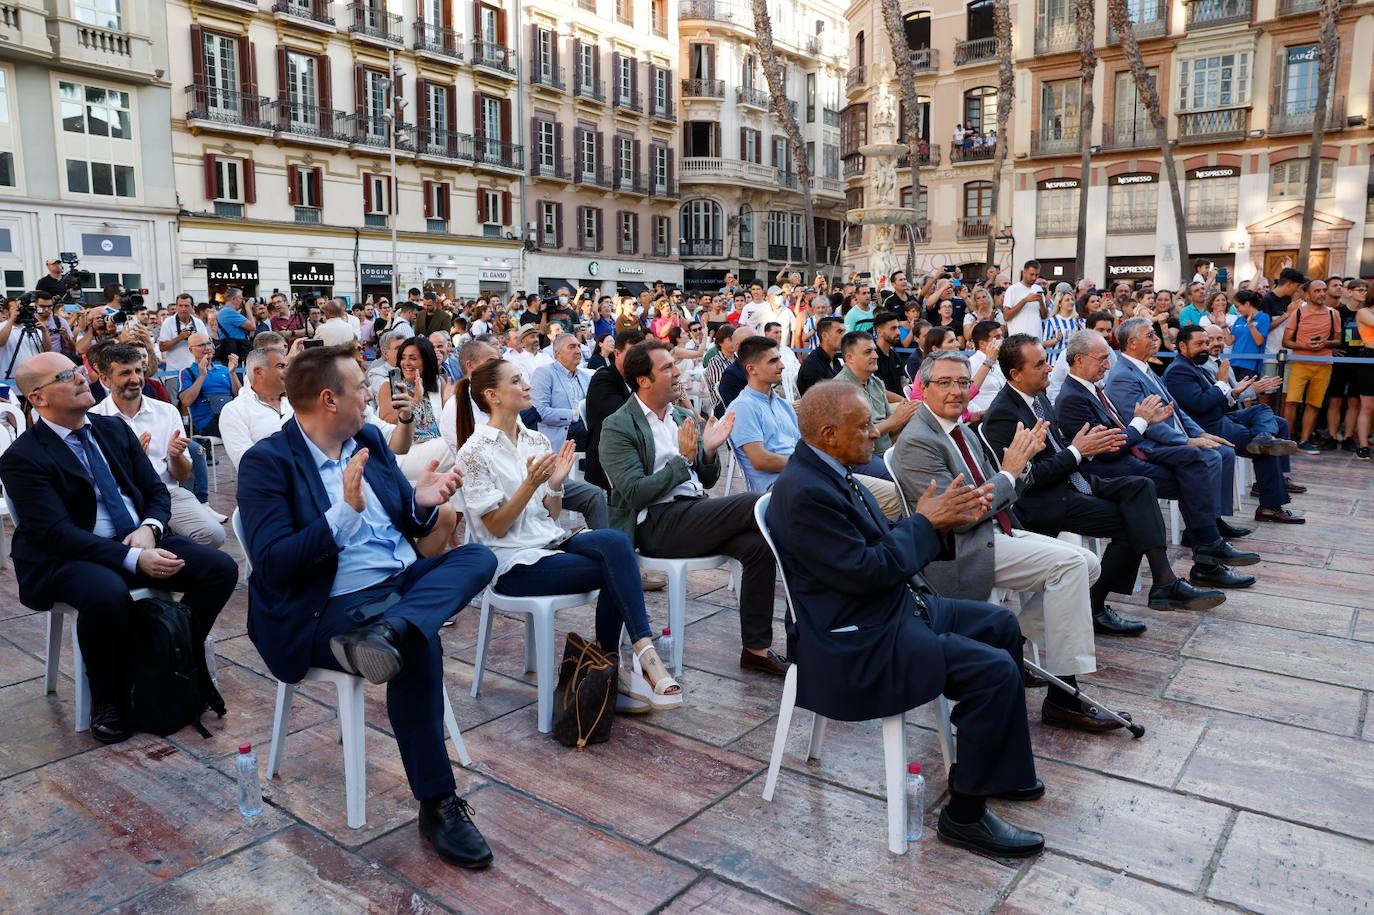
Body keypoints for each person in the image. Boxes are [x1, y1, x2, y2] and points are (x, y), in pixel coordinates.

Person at [237, 344, 497, 869]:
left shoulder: (369, 440)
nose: (371, 396)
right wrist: (341, 515)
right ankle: (438, 803)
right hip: (325, 608)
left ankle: (394, 631)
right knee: (419, 645)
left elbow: (406, 518)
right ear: (330, 399)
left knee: (476, 557)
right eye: (361, 387)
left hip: (396, 590)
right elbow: (272, 564)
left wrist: (423, 501)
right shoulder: (268, 463)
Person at [768, 379, 1045, 857]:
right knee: (994, 673)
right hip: (859, 640)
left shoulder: (830, 470)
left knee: (1000, 626)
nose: (876, 433)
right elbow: (867, 571)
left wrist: (930, 519)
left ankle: (998, 769)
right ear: (829, 433)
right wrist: (925, 523)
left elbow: (875, 546)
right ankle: (964, 817)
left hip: (889, 609)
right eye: (864, 427)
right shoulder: (806, 493)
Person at [892, 351, 1136, 733]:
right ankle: (1065, 697)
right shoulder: (919, 441)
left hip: (994, 530)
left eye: (962, 383)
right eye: (945, 383)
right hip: (961, 549)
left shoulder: (959, 428)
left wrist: (1017, 468)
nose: (957, 391)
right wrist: (1010, 471)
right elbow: (961, 514)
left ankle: (1014, 639)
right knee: (1071, 565)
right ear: (923, 388)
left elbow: (1001, 488)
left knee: (1088, 564)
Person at [1, 351, 236, 744]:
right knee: (107, 594)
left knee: (219, 569)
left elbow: (155, 491)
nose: (80, 378)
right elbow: (56, 533)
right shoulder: (22, 457)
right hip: (68, 556)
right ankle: (107, 697)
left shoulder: (113, 430)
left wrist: (149, 528)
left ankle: (171, 656)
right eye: (66, 375)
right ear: (39, 399)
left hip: (136, 535)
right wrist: (133, 557)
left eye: (78, 370)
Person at [453, 359, 679, 712]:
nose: (527, 386)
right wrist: (530, 485)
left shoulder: (534, 438)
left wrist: (554, 485)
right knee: (617, 570)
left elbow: (550, 515)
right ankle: (617, 670)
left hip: (549, 541)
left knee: (617, 543)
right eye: (517, 381)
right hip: (513, 562)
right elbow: (496, 526)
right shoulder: (474, 452)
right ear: (492, 396)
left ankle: (636, 654)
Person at [983, 335, 1225, 629]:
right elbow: (1029, 479)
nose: (1049, 368)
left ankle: (1163, 582)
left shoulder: (1039, 398)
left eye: (1046, 362)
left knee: (1141, 487)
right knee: (1132, 521)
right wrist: (1079, 451)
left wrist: (1083, 449)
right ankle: (1102, 603)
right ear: (1016, 375)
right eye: (1040, 364)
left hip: (1073, 480)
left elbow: (1065, 449)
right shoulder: (1003, 414)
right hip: (1041, 502)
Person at [599, 340, 787, 676]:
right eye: (668, 368)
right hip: (656, 524)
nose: (678, 372)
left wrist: (710, 451)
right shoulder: (619, 425)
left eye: (675, 364)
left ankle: (756, 650)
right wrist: (682, 460)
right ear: (643, 380)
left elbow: (707, 478)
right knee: (753, 503)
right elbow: (633, 493)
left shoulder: (682, 415)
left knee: (757, 547)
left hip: (694, 513)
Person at [89, 343, 225, 548]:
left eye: (138, 371)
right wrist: (132, 462)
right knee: (122, 545)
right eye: (125, 373)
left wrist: (176, 455)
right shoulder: (94, 418)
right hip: (122, 499)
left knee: (214, 534)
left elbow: (182, 476)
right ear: (106, 379)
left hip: (168, 493)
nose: (135, 379)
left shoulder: (167, 412)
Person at [1166, 326, 1303, 524]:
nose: (1205, 347)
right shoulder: (1179, 370)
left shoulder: (1193, 365)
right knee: (1266, 449)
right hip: (1208, 427)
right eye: (1199, 344)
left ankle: (1264, 437)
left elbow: (1217, 401)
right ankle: (1270, 506)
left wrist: (1235, 393)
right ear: (1182, 346)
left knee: (1263, 411)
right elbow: (1201, 404)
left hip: (1223, 416)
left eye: (1207, 343)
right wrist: (1222, 383)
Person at [377, 336, 450, 482]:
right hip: (405, 452)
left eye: (413, 358)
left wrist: (452, 403)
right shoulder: (390, 387)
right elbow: (387, 420)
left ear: (426, 361)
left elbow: (446, 420)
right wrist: (414, 402)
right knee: (457, 443)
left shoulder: (438, 382)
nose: (406, 363)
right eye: (403, 358)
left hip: (435, 446)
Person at [836, 331, 917, 458]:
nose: (875, 356)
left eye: (874, 350)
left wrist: (906, 417)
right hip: (861, 457)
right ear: (850, 357)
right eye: (868, 352)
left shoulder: (876, 382)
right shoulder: (840, 388)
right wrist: (895, 420)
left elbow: (891, 431)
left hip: (887, 451)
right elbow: (855, 437)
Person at [1282, 278, 1339, 453]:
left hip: (1324, 364)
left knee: (1314, 404)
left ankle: (1305, 440)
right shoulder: (1297, 313)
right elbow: (1286, 341)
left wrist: (1325, 343)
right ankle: (1286, 440)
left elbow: (1338, 340)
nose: (1322, 294)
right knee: (1291, 402)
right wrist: (1305, 346)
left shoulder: (1333, 313)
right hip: (1300, 363)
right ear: (1307, 294)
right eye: (1317, 291)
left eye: (1323, 290)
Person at [530, 333, 589, 451]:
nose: (578, 351)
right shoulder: (544, 373)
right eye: (572, 347)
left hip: (585, 429)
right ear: (557, 353)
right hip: (561, 433)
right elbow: (540, 411)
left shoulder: (585, 376)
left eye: (578, 346)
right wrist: (575, 415)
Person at [179, 333, 240, 436]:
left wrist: (233, 373)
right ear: (191, 350)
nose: (207, 348)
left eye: (209, 343)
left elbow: (240, 396)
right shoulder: (187, 372)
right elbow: (186, 401)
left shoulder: (224, 369)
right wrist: (202, 375)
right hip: (209, 421)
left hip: (231, 415)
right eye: (201, 345)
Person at [157, 293, 207, 372]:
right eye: (180, 306)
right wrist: (179, 338)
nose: (183, 309)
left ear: (192, 307)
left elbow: (207, 346)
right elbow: (162, 347)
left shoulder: (198, 323)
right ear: (176, 307)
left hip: (197, 370)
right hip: (174, 372)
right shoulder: (168, 322)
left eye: (186, 306)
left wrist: (196, 340)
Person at [796, 316, 845, 396]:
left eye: (844, 332)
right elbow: (818, 402)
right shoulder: (812, 365)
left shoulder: (836, 361)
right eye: (839, 332)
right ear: (825, 336)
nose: (844, 336)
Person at [1002, 260, 1048, 340]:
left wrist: (1041, 302)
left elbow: (1044, 316)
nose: (1034, 278)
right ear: (1024, 272)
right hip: (1018, 340)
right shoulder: (1012, 289)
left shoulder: (1038, 288)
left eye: (1036, 275)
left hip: (1036, 339)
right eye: (1031, 274)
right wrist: (1025, 300)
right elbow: (1006, 316)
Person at [215, 287, 256, 363]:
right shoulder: (228, 312)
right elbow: (253, 327)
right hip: (236, 350)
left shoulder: (223, 311)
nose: (242, 300)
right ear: (234, 299)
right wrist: (248, 308)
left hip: (232, 349)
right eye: (241, 298)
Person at [872, 311, 907, 396]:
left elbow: (903, 383)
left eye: (898, 328)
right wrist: (903, 401)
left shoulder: (895, 355)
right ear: (879, 332)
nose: (898, 332)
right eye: (893, 328)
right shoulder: (872, 357)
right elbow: (880, 392)